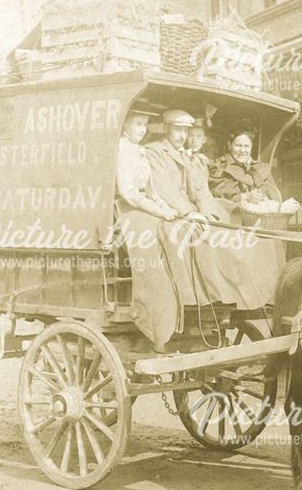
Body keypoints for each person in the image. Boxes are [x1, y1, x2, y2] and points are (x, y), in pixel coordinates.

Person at [147, 109, 279, 315]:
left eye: (185, 131)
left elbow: (201, 190)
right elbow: (165, 188)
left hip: (192, 213)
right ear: (166, 129)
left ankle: (237, 291)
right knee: (198, 235)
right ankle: (202, 295)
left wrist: (209, 213)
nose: (182, 136)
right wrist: (190, 212)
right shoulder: (154, 151)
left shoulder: (189, 157)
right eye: (178, 130)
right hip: (168, 211)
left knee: (226, 233)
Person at [114, 109, 182, 351]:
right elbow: (129, 193)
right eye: (138, 125)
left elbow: (152, 191)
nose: (142, 130)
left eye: (144, 125)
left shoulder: (139, 152)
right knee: (153, 240)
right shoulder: (121, 150)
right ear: (125, 127)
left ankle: (179, 302)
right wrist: (160, 212)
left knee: (177, 230)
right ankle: (155, 319)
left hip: (145, 206)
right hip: (128, 210)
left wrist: (169, 208)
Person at [209, 131, 282, 205]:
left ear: (251, 146)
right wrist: (245, 197)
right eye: (238, 146)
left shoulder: (262, 168)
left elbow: (275, 197)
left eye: (246, 146)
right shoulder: (220, 166)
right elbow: (216, 193)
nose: (243, 150)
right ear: (229, 145)